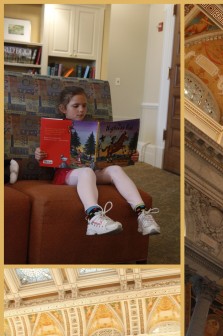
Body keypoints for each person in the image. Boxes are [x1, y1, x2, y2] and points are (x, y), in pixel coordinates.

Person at [34, 86, 161, 236]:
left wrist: (129, 156)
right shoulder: (56, 127)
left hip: (95, 170)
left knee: (115, 169)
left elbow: (109, 156)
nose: (81, 110)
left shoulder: (94, 127)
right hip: (67, 174)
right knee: (86, 172)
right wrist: (39, 154)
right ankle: (93, 218)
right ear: (63, 108)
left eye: (84, 105)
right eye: (75, 106)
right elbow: (47, 152)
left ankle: (142, 214)